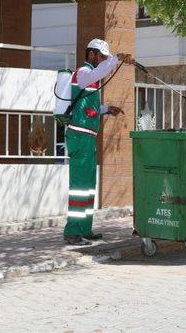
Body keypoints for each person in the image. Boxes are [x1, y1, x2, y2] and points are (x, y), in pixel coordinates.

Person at [64, 38, 134, 245]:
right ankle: (72, 231)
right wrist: (116, 59)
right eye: (101, 56)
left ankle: (84, 229)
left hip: (87, 137)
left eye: (105, 57)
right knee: (79, 186)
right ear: (92, 54)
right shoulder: (84, 73)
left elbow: (86, 107)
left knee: (88, 186)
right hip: (79, 136)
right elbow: (99, 72)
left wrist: (105, 109)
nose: (102, 60)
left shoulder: (91, 79)